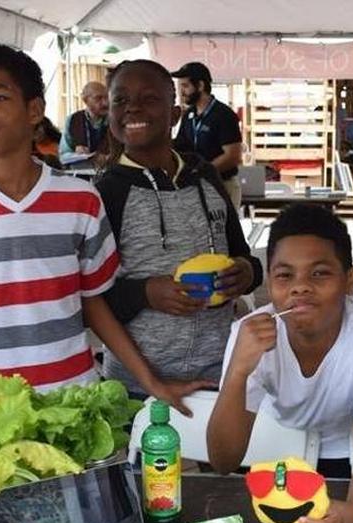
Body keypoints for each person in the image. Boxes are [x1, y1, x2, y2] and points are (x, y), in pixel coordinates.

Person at [0, 43, 202, 412]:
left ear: (34, 110)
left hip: (74, 405)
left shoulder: (81, 199)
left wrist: (152, 382)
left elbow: (94, 304)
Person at [207, 204, 353, 523]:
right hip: (277, 451)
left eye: (319, 274)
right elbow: (223, 461)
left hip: (346, 457)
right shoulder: (248, 334)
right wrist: (239, 370)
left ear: (350, 280)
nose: (300, 288)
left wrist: (352, 515)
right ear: (269, 282)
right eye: (285, 276)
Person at [94, 60, 262, 396]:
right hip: (137, 386)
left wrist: (246, 272)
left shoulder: (205, 176)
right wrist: (144, 293)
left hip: (220, 374)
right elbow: (90, 298)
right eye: (121, 100)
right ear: (109, 115)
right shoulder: (106, 192)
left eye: (149, 98)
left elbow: (243, 256)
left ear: (174, 115)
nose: (133, 108)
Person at [171, 62, 244, 209]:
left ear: (200, 86)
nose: (181, 92)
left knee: (223, 231)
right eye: (180, 87)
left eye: (185, 86)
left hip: (223, 185)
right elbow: (180, 146)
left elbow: (233, 156)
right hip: (197, 187)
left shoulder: (224, 115)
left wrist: (202, 172)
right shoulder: (189, 115)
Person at [60, 81, 109, 156]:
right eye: (98, 98)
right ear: (85, 100)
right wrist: (76, 152)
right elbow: (64, 153)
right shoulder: (73, 119)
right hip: (82, 166)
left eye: (106, 97)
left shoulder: (114, 120)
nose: (105, 103)